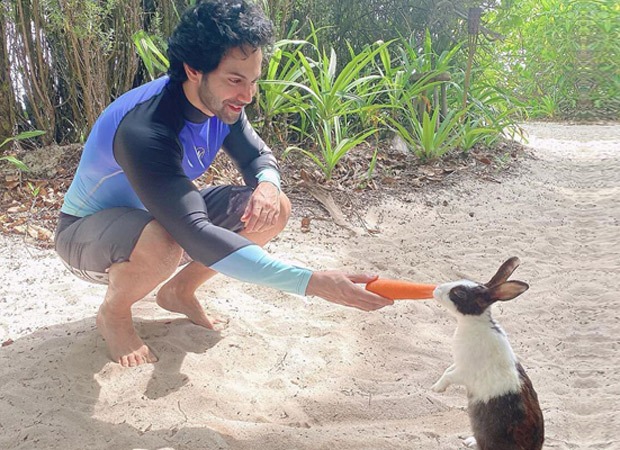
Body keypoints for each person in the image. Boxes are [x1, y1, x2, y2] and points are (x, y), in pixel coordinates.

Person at [54, 0, 392, 368]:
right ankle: (115, 313)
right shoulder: (146, 129)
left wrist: (267, 184)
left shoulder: (222, 104)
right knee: (164, 241)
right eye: (235, 80)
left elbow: (255, 158)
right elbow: (193, 231)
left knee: (274, 207)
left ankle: (180, 290)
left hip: (156, 218)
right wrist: (313, 283)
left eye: (253, 81)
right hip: (86, 236)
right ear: (194, 70)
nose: (247, 96)